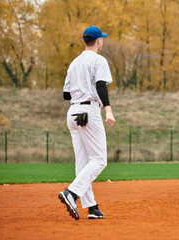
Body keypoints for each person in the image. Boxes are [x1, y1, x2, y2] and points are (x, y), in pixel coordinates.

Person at [58, 26, 115, 220]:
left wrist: (81, 88)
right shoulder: (98, 60)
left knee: (83, 162)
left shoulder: (74, 63)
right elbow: (100, 85)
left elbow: (66, 94)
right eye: (102, 39)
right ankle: (72, 193)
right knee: (99, 159)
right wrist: (108, 109)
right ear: (98, 41)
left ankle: (91, 207)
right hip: (89, 111)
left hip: (73, 112)